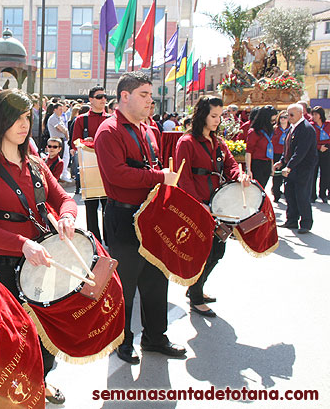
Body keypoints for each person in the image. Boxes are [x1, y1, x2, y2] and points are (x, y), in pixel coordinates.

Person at [0, 88, 76, 405]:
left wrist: (68, 218)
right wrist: (23, 244)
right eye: (15, 117)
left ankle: (41, 382)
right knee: (15, 336)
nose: (23, 124)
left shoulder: (37, 166)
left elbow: (65, 199)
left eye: (27, 117)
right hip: (6, 265)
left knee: (48, 331)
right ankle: (13, 390)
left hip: (46, 261)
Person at [94, 72, 185, 364]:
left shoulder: (149, 129)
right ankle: (122, 342)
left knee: (157, 278)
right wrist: (160, 177)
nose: (150, 101)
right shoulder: (109, 131)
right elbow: (117, 175)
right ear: (124, 96)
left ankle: (155, 337)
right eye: (144, 95)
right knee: (125, 284)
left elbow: (153, 165)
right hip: (123, 216)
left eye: (150, 95)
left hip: (152, 216)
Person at [175, 96, 249, 317]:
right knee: (204, 252)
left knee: (218, 250)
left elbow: (231, 165)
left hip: (219, 205)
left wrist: (240, 175)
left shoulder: (218, 142)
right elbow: (184, 178)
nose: (218, 120)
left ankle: (196, 288)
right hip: (200, 207)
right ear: (202, 115)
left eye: (219, 116)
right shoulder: (187, 142)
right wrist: (198, 204)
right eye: (213, 116)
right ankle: (196, 296)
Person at [71, 86, 109, 242]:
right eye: (99, 97)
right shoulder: (81, 119)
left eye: (104, 96)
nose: (103, 100)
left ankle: (109, 239)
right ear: (91, 100)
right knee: (91, 208)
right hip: (90, 170)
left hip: (108, 170)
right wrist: (85, 143)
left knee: (108, 208)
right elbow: (74, 144)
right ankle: (95, 241)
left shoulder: (112, 119)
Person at [273, 104, 317, 234]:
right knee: (290, 194)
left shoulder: (306, 129)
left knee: (302, 195)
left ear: (300, 113)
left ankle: (306, 223)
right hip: (292, 167)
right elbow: (288, 149)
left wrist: (289, 166)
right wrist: (281, 162)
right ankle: (292, 220)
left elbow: (300, 152)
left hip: (303, 168)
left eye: (291, 115)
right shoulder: (292, 128)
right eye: (287, 115)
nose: (289, 117)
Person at [245, 106, 277, 190]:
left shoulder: (270, 131)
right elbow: (249, 151)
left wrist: (271, 165)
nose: (273, 123)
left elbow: (270, 149)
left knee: (262, 189)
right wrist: (248, 169)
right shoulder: (254, 132)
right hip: (257, 164)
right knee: (256, 190)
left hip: (267, 163)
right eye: (272, 120)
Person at [47, 103, 71, 182]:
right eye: (60, 109)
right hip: (55, 141)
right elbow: (62, 129)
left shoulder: (59, 118)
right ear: (55, 110)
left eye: (62, 109)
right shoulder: (53, 118)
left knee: (61, 158)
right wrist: (65, 132)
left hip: (61, 140)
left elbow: (65, 129)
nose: (62, 111)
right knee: (55, 158)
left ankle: (59, 176)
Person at [310, 106, 330, 203]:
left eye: (316, 114)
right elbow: (309, 141)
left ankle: (323, 193)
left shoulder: (328, 124)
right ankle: (312, 195)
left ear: (321, 115)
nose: (314, 116)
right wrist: (318, 147)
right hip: (315, 150)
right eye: (312, 114)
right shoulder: (311, 126)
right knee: (313, 173)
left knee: (325, 173)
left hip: (327, 150)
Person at [271, 110, 290, 203]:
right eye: (281, 117)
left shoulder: (291, 129)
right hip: (276, 154)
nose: (283, 119)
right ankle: (276, 194)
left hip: (287, 154)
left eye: (285, 117)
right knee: (277, 176)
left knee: (287, 176)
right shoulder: (274, 129)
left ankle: (288, 195)